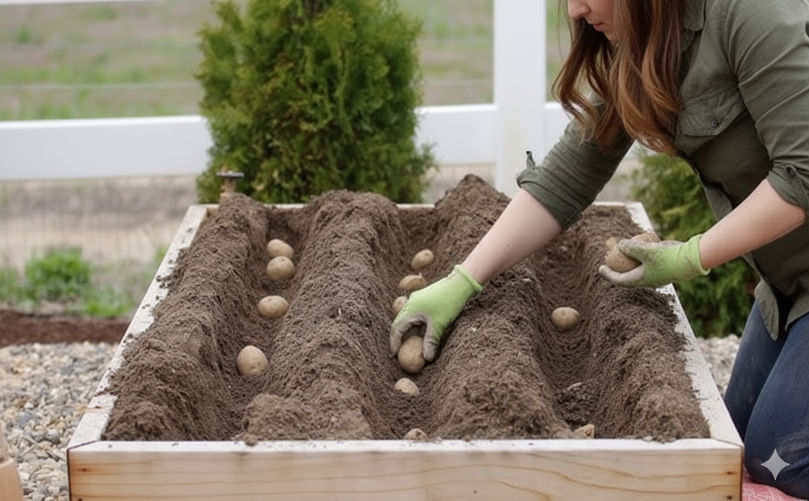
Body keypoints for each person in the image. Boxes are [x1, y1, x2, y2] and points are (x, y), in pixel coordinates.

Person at [389, 0, 809, 496]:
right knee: (733, 450)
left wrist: (690, 256)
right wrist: (461, 282)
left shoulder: (752, 14)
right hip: (787, 291)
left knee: (783, 468)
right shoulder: (644, 40)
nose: (576, 9)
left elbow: (802, 173)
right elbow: (566, 180)